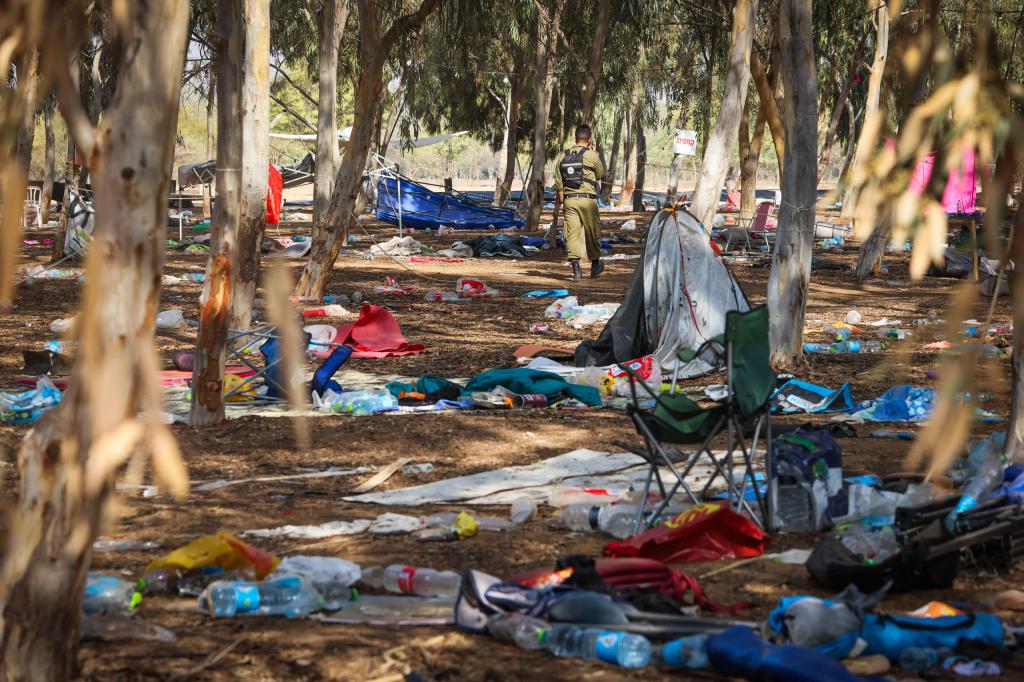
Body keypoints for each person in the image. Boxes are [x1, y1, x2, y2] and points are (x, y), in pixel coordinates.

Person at [553, 124, 606, 281]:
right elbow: (600, 174)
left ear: (575, 138)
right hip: (588, 201)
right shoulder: (592, 155)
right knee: (592, 232)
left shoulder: (563, 156)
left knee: (572, 234)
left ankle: (576, 270)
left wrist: (563, 203)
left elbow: (559, 183)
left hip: (569, 201)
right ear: (589, 139)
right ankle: (595, 265)